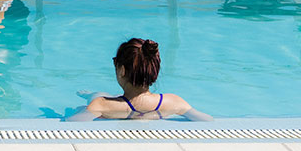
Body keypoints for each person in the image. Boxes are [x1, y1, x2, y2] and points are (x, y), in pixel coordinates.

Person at [83, 38, 212, 121]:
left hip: (116, 103)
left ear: (122, 70)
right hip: (153, 104)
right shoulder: (174, 102)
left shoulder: (101, 105)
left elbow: (74, 124)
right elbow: (207, 120)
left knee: (97, 95)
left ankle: (89, 94)